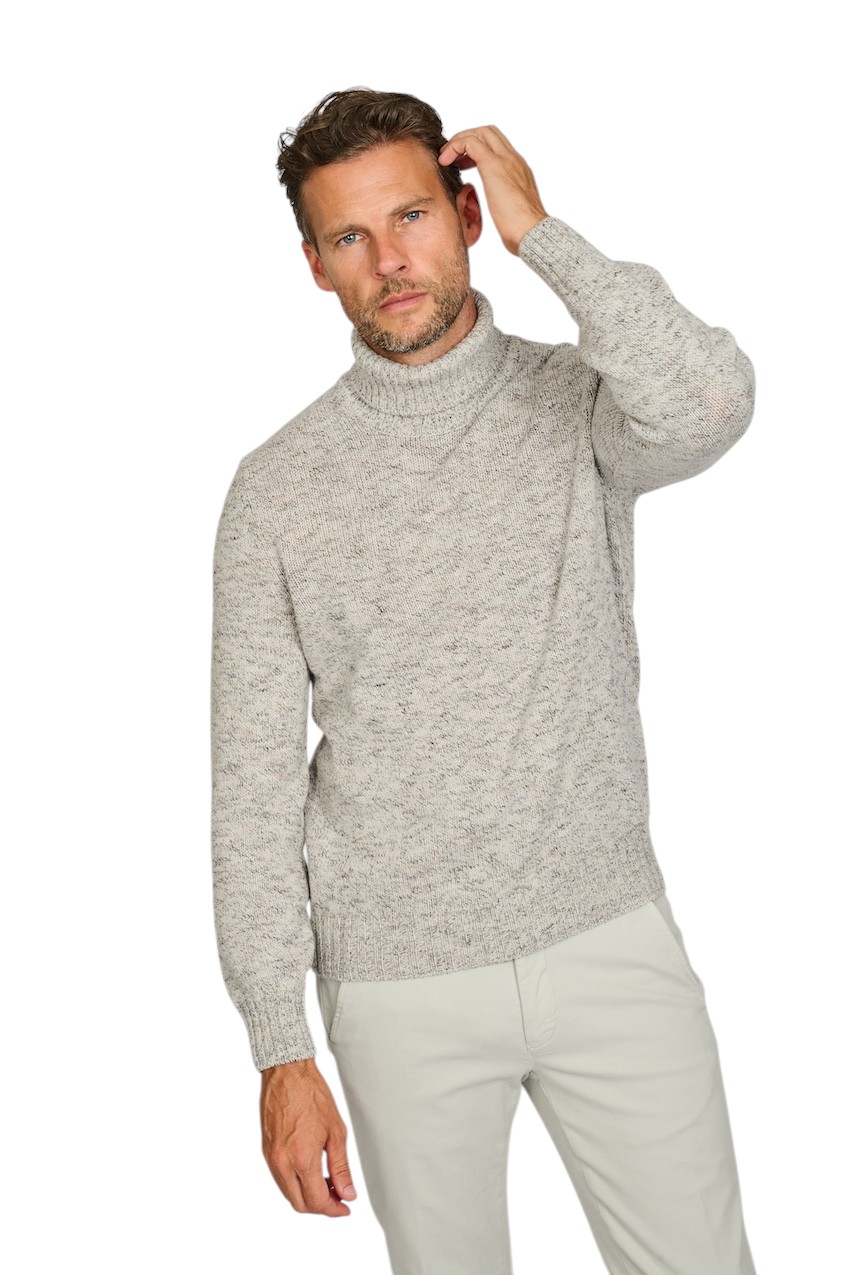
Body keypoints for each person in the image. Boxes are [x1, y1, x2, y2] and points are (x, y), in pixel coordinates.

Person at [210, 86, 760, 1274]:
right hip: (397, 986)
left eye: (411, 217)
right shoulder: (276, 492)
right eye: (349, 236)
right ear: (315, 266)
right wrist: (277, 1045)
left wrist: (543, 235)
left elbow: (713, 402)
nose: (388, 262)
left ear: (464, 215)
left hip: (608, 937)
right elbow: (253, 787)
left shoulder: (582, 404)